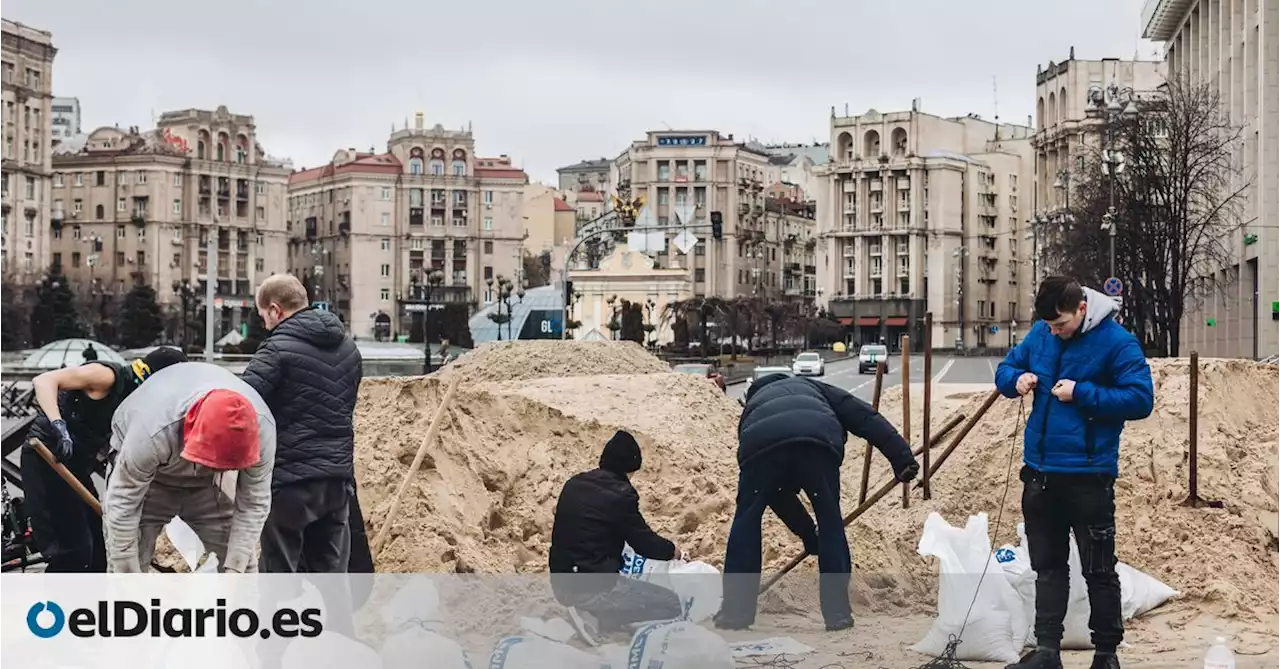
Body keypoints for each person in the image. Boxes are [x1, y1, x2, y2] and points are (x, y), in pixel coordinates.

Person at [995, 276, 1153, 669]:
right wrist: (1016, 380)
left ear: (1081, 308)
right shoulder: (1040, 334)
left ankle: (1106, 655)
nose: (1054, 332)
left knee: (1099, 569)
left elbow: (1140, 399)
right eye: (1048, 325)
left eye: (1060, 325)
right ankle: (1047, 652)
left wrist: (1082, 392)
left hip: (1089, 476)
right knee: (1047, 568)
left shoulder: (1118, 342)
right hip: (1040, 473)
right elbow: (1007, 368)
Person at [715, 373, 919, 632]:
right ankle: (838, 615)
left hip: (761, 446)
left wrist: (808, 535)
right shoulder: (813, 387)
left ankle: (735, 614)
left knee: (746, 520)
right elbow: (865, 417)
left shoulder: (753, 408)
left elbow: (774, 493)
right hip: (818, 441)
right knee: (830, 521)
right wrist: (901, 459)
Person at [21, 346, 188, 572]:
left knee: (100, 544)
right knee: (73, 549)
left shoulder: (140, 398)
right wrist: (58, 425)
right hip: (48, 456)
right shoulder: (109, 376)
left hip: (76, 465)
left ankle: (92, 602)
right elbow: (44, 380)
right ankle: (61, 604)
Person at [101, 361, 275, 574]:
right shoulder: (151, 431)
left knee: (241, 561)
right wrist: (126, 573)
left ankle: (244, 604)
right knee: (129, 556)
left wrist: (236, 569)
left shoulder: (262, 431)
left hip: (209, 487)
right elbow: (123, 502)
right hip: (151, 480)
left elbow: (254, 502)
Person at [242, 273, 363, 574]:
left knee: (278, 580)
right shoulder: (349, 349)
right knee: (331, 578)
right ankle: (335, 623)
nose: (265, 325)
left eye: (263, 317)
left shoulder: (276, 349)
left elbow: (243, 403)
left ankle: (281, 622)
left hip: (289, 482)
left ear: (274, 310)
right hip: (337, 481)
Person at [549, 430, 684, 635]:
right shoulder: (621, 495)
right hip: (591, 589)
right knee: (671, 603)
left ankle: (597, 615)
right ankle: (594, 616)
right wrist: (672, 551)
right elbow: (643, 542)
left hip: (560, 583)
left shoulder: (573, 484)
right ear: (628, 468)